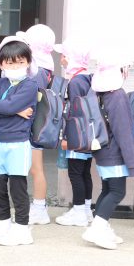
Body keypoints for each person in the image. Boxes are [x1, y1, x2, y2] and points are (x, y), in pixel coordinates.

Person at [0, 36, 40, 246]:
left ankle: (22, 229)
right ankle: (3, 224)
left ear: (28, 62)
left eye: (20, 62)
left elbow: (0, 106)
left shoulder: (30, 85)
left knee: (18, 188)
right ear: (1, 64)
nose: (15, 66)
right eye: (10, 63)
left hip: (18, 143)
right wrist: (14, 110)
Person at [82, 52, 134, 250]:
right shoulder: (117, 95)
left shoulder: (97, 92)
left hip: (101, 150)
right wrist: (133, 162)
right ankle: (97, 229)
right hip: (114, 152)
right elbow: (124, 131)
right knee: (117, 191)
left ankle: (101, 226)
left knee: (108, 189)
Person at [54, 38, 95, 226]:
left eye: (64, 55)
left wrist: (66, 137)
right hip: (88, 134)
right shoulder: (87, 78)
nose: (61, 59)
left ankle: (79, 212)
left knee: (76, 173)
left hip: (77, 135)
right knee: (84, 173)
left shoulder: (76, 82)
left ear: (72, 58)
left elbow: (74, 113)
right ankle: (85, 210)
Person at [21, 23, 57, 226]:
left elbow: (30, 97)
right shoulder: (45, 67)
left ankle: (39, 207)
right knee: (35, 168)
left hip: (33, 124)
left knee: (36, 169)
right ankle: (38, 207)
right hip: (36, 123)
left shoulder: (38, 70)